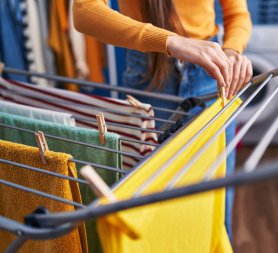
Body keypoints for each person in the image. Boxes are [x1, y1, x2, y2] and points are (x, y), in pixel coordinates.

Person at [73, 0, 252, 239]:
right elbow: (83, 12)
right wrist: (170, 41)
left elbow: (238, 14)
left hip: (212, 72)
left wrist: (231, 51)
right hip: (150, 73)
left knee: (216, 197)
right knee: (152, 201)